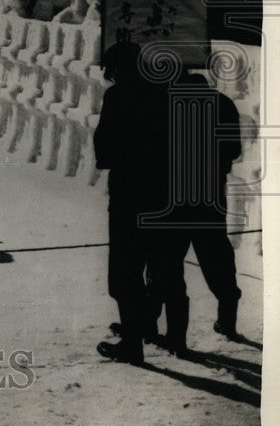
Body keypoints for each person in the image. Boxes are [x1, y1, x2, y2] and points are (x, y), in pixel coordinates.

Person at [143, 70, 243, 350]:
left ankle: (158, 327)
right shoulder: (223, 103)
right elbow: (233, 150)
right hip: (210, 196)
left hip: (172, 199)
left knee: (164, 264)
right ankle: (227, 320)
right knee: (216, 259)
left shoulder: (165, 105)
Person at [93, 41, 172, 365]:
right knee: (156, 265)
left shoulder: (117, 96)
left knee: (125, 272)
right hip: (162, 192)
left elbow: (104, 149)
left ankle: (133, 341)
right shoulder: (163, 93)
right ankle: (146, 327)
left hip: (128, 193)